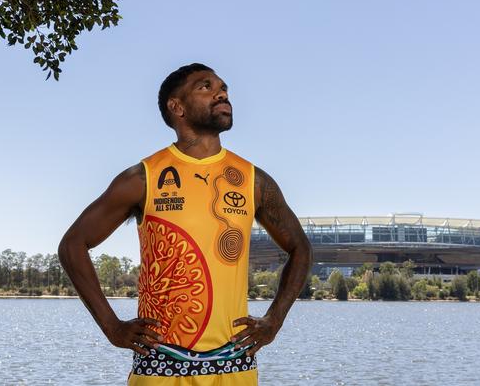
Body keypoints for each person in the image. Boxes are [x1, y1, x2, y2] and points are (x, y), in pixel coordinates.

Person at [59, 63, 313, 385]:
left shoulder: (253, 181)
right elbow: (72, 245)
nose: (222, 92)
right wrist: (112, 327)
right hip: (160, 367)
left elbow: (300, 248)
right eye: (205, 87)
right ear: (176, 107)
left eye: (224, 87)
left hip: (235, 367)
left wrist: (273, 320)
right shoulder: (143, 178)